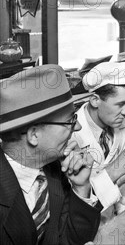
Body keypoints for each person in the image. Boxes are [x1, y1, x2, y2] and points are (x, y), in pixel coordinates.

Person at [1, 65, 101, 244]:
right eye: (70, 120)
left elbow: (70, 239)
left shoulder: (53, 169)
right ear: (34, 135)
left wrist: (81, 187)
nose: (77, 127)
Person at [72, 62, 125, 222]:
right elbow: (75, 199)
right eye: (121, 104)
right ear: (95, 100)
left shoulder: (122, 125)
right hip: (84, 226)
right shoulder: (72, 135)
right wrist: (119, 165)